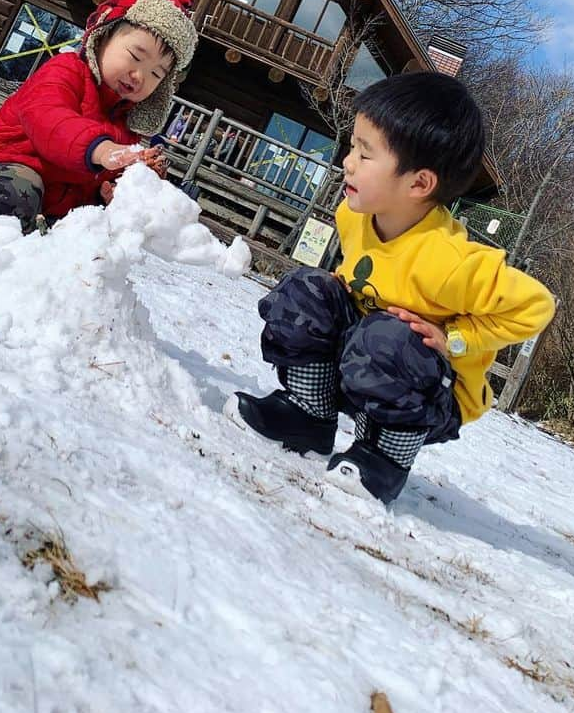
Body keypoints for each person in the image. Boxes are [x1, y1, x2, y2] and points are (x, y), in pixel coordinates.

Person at [225, 72, 556, 506]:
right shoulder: (354, 215)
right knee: (304, 290)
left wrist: (455, 339)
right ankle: (309, 415)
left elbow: (536, 305)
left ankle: (382, 461)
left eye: (366, 154)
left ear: (418, 184)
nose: (348, 161)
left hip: (427, 395)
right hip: (358, 363)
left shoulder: (451, 261)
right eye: (352, 147)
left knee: (387, 335)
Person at [0, 0, 198, 233]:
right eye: (135, 57)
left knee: (94, 232)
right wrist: (103, 151)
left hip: (47, 212)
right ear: (102, 39)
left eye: (156, 73)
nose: (139, 75)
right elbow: (52, 123)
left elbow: (99, 182)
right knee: (20, 186)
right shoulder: (64, 71)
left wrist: (116, 191)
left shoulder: (126, 127)